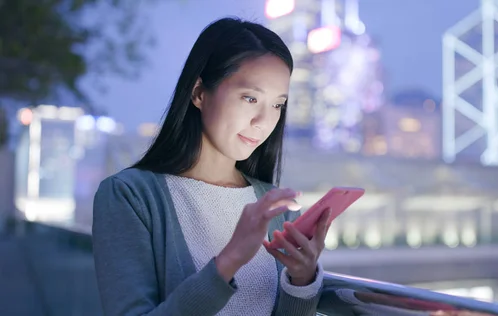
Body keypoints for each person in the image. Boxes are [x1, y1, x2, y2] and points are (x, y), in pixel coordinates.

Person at [92, 17, 331, 316]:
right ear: (199, 93)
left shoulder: (276, 208)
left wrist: (302, 281)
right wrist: (230, 259)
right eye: (250, 97)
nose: (263, 121)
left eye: (277, 105)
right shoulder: (129, 196)